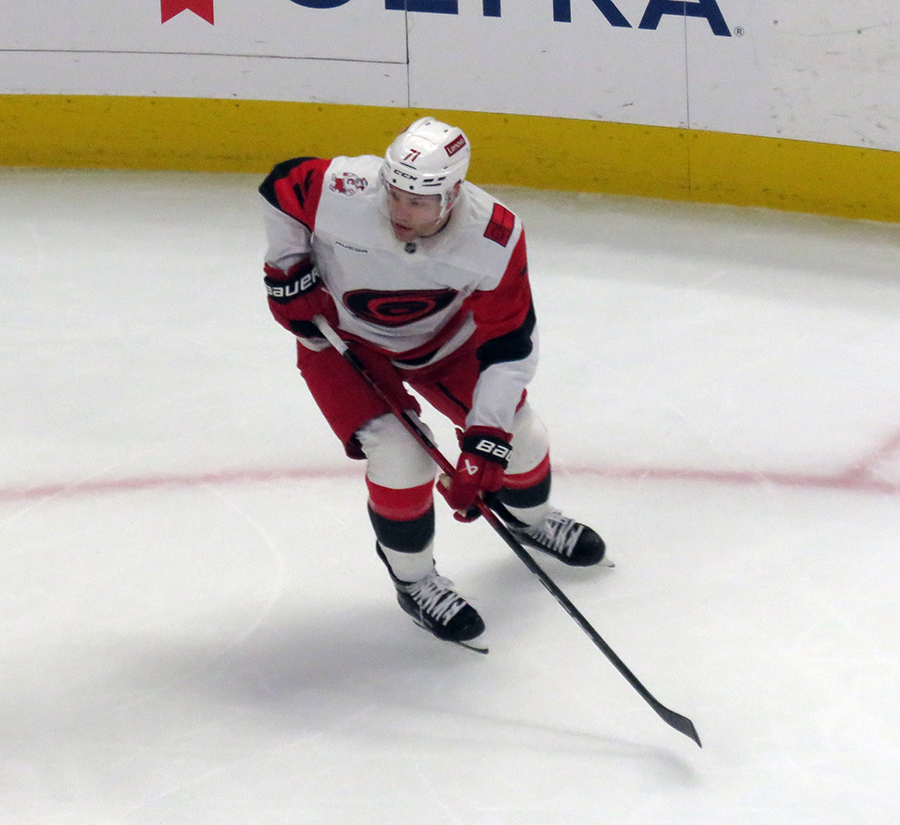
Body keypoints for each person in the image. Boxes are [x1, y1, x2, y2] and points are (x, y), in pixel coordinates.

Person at [259, 117, 606, 648]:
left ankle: (532, 518)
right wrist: (286, 270)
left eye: (418, 203)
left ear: (453, 195)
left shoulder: (493, 235)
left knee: (521, 436)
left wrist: (485, 443)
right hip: (342, 341)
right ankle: (415, 581)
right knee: (403, 456)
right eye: (394, 194)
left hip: (445, 344)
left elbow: (511, 343)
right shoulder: (345, 189)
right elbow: (280, 186)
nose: (400, 213)